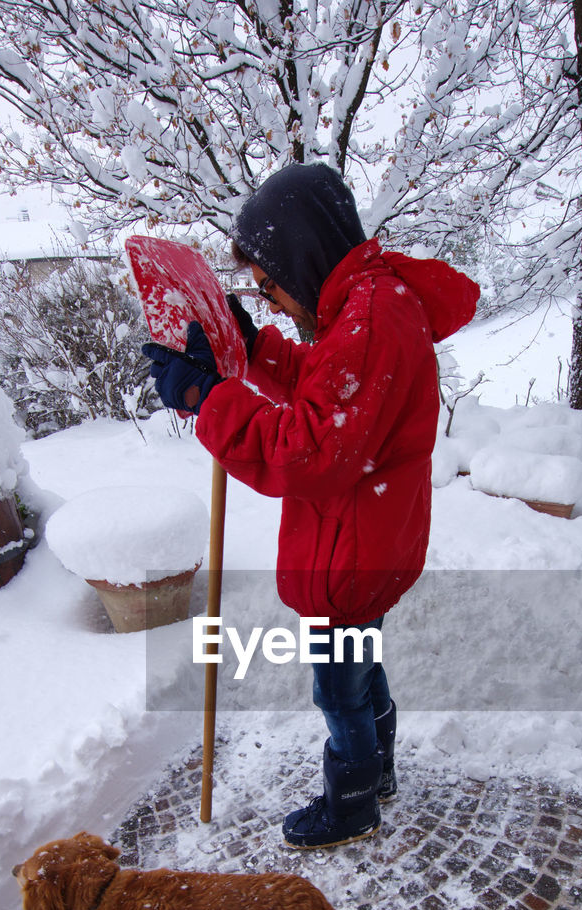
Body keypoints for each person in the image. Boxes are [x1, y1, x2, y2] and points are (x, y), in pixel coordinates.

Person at [144, 163, 479, 850]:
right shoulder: (366, 307)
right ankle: (378, 770)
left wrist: (206, 399)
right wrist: (254, 346)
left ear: (300, 254)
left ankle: (352, 804)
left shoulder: (370, 321)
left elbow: (309, 449)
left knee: (338, 691)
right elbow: (330, 391)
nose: (268, 301)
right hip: (371, 539)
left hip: (352, 550)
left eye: (267, 286)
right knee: (360, 665)